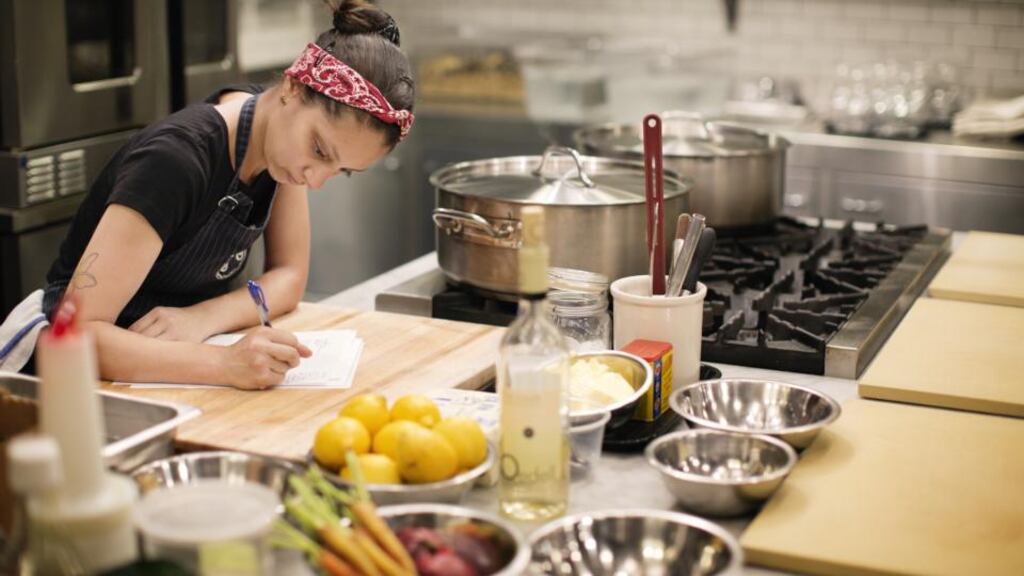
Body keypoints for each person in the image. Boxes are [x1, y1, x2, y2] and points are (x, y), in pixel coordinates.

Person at [0, 0, 415, 389]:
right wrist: (223, 364)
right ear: (292, 87)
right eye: (320, 150)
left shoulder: (280, 151)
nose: (317, 179)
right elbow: (77, 337)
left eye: (340, 171)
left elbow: (289, 277)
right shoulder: (176, 160)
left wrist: (201, 318)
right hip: (65, 381)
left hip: (166, 366)